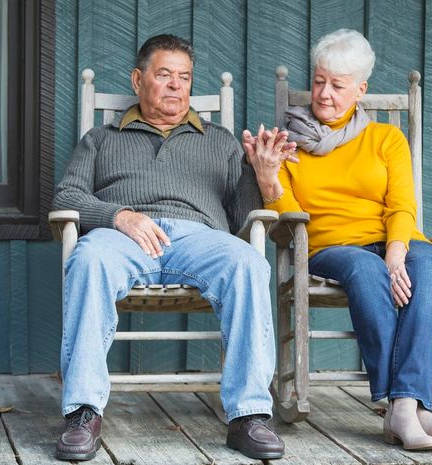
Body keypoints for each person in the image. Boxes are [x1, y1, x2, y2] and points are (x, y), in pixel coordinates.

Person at [52, 34, 290, 461]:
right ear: (138, 79)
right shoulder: (101, 138)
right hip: (122, 236)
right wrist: (119, 216)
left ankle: (249, 416)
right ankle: (83, 413)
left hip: (198, 237)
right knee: (86, 257)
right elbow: (66, 197)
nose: (176, 86)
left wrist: (265, 177)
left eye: (184, 78)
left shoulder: (219, 141)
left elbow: (241, 217)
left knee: (248, 263)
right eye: (164, 75)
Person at [243, 29, 432, 451]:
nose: (324, 94)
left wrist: (397, 252)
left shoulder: (386, 139)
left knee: (427, 267)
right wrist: (268, 178)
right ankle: (408, 406)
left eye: (337, 85)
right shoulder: (287, 144)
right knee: (364, 268)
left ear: (360, 89)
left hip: (394, 238)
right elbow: (289, 220)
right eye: (319, 81)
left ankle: (403, 405)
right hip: (330, 247)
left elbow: (402, 205)